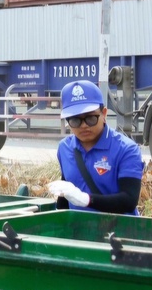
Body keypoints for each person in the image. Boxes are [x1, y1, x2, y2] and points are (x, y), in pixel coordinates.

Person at [47, 81, 144, 215]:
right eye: (75, 120)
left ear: (104, 114)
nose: (83, 126)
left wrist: (85, 199)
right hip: (79, 230)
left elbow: (128, 200)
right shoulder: (65, 148)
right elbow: (66, 195)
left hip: (118, 231)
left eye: (91, 118)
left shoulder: (126, 149)